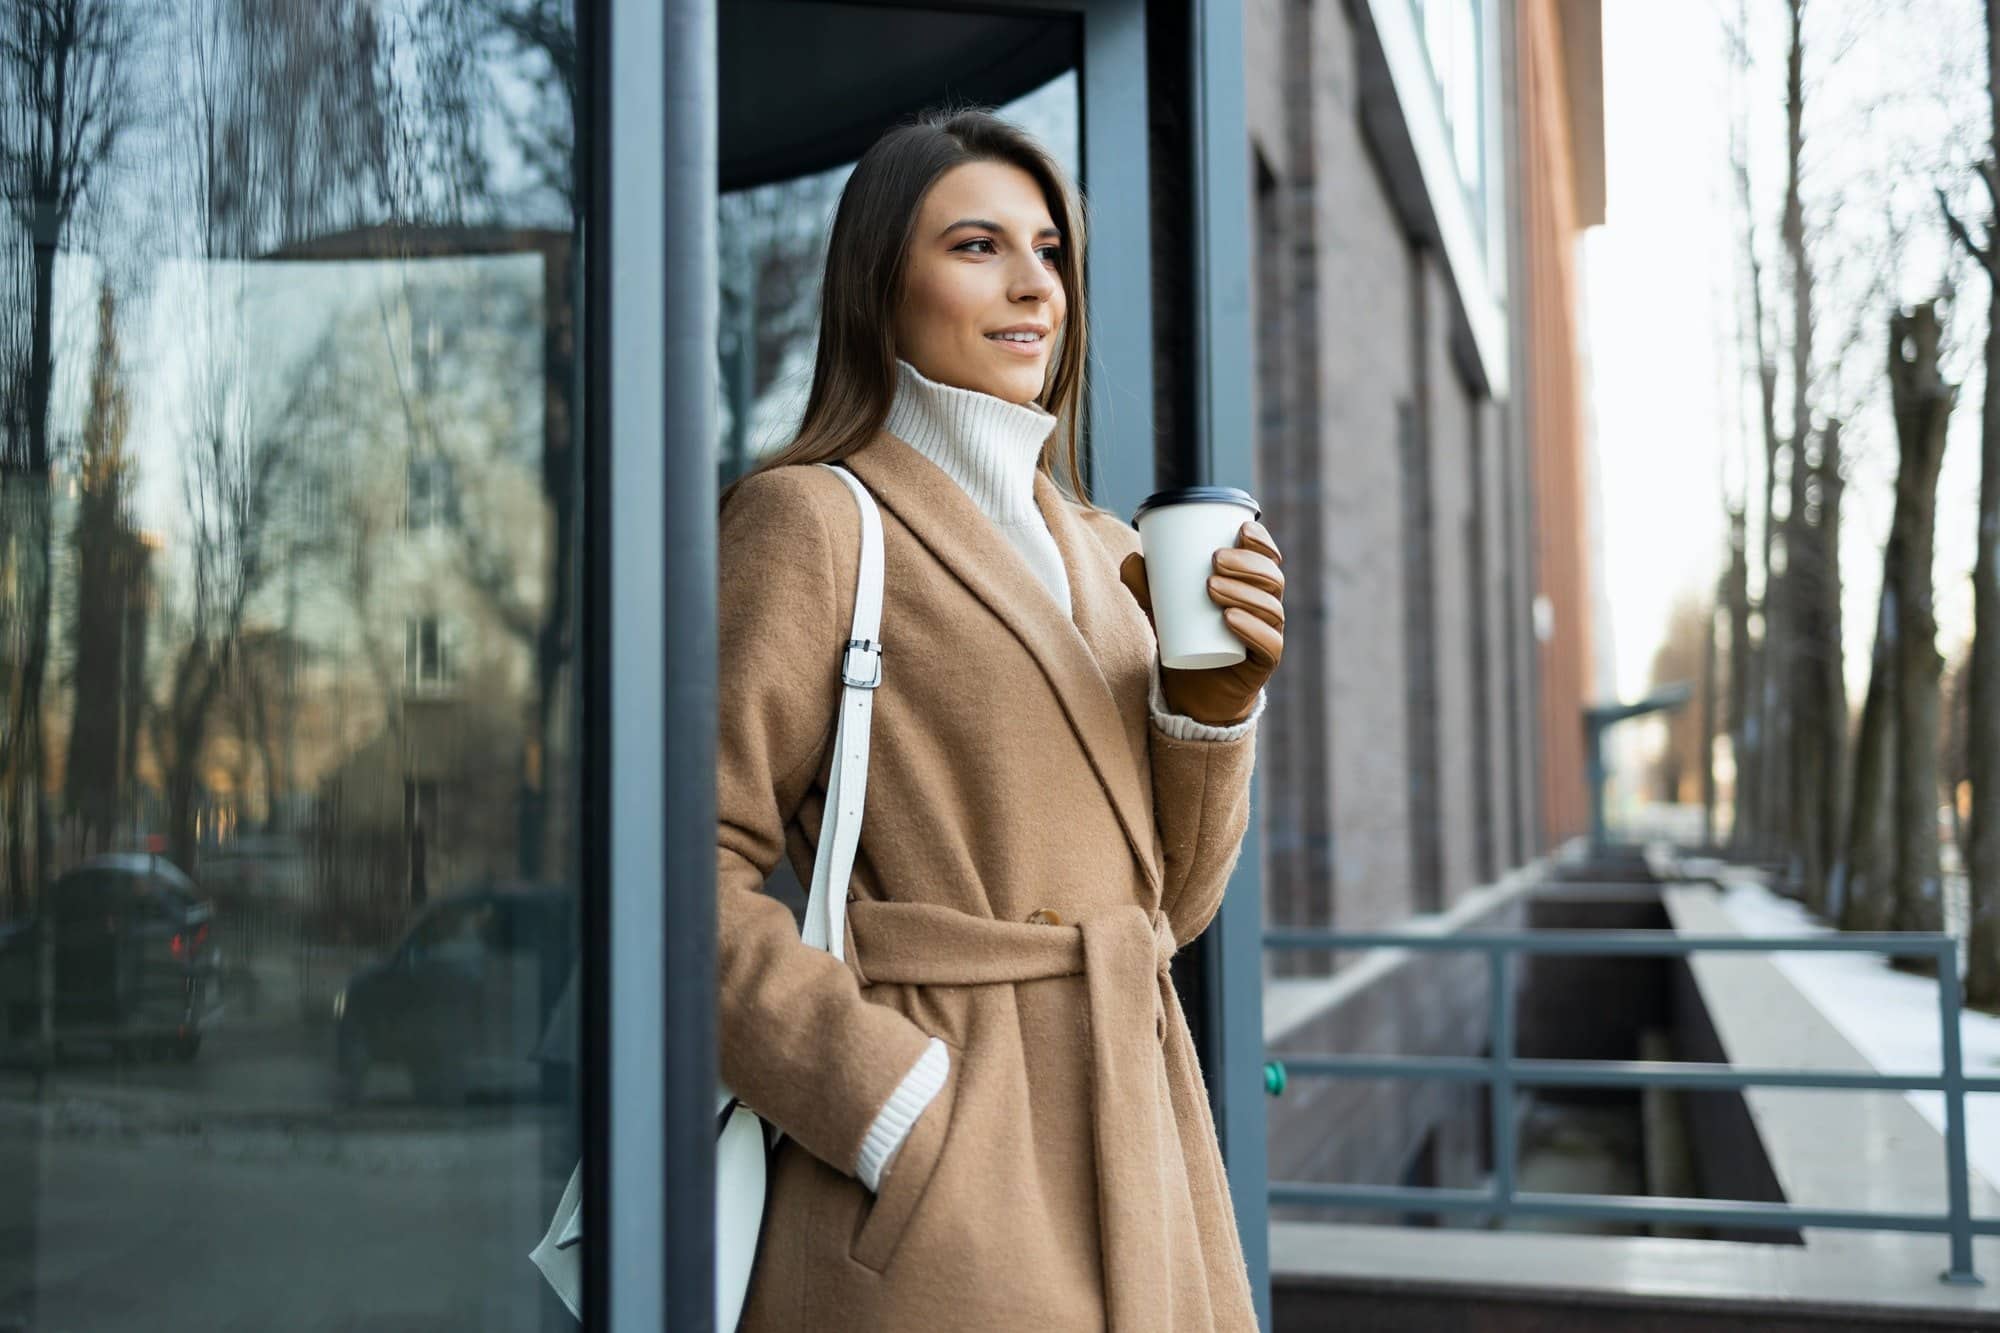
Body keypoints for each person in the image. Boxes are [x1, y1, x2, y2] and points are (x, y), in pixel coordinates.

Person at [717, 104, 1286, 1332]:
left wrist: (1210, 712)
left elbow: (1167, 909)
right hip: (940, 1180)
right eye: (976, 246)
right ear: (880, 284)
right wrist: (890, 1103)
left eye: (1049, 251)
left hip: (1140, 1141)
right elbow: (674, 879)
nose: (1033, 285)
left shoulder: (1113, 551)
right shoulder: (813, 521)